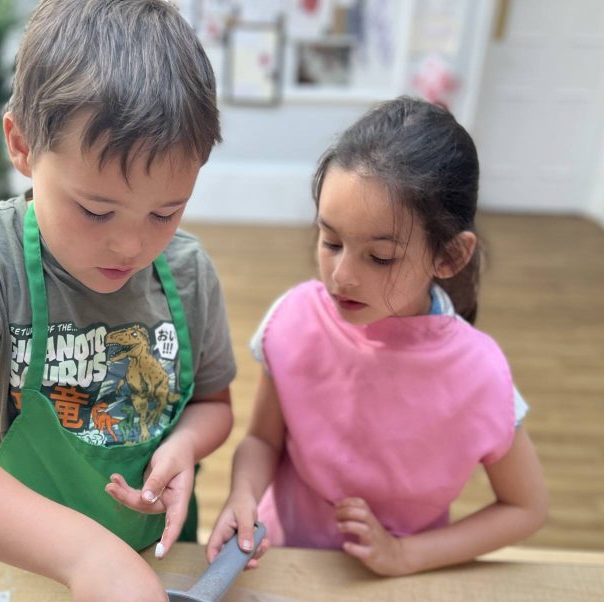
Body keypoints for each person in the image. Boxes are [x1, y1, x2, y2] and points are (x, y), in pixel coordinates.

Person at [0, 0, 235, 602]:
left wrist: (186, 443)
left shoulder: (187, 273)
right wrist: (85, 553)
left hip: (158, 565)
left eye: (166, 211)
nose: (131, 244)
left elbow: (214, 405)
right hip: (19, 565)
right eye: (96, 210)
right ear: (21, 145)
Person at [207, 96, 547, 576]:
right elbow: (263, 440)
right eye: (331, 242)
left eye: (380, 257)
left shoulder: (480, 375)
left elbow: (525, 508)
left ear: (449, 257)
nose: (341, 275)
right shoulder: (296, 320)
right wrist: (242, 496)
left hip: (393, 587)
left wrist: (404, 554)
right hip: (282, 558)